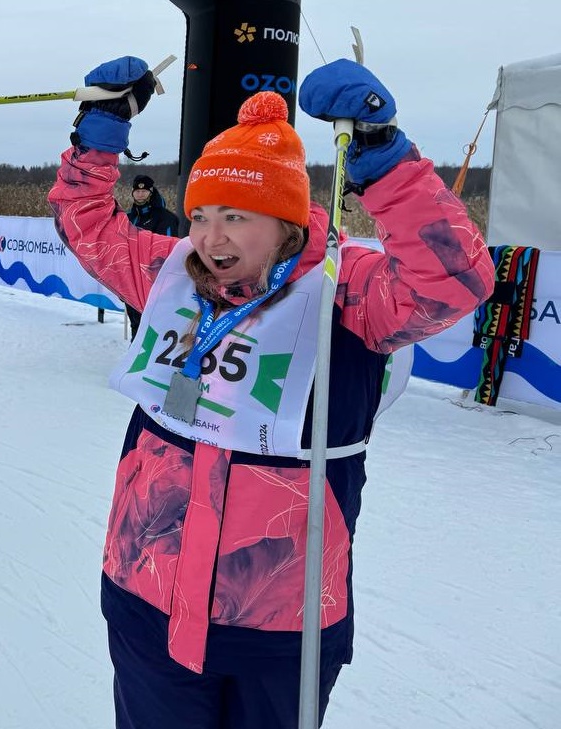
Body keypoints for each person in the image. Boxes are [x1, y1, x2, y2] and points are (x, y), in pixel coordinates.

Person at [48, 57, 494, 728]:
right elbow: (84, 225)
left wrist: (383, 158)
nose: (209, 236)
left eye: (236, 215)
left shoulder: (344, 292)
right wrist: (99, 128)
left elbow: (451, 282)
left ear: (287, 222)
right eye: (200, 214)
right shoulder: (170, 274)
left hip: (278, 619)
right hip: (147, 589)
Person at [124, 174, 181, 338]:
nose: (140, 194)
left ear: (151, 192)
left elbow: (170, 252)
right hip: (132, 281)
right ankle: (135, 358)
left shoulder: (166, 217)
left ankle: (150, 360)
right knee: (136, 324)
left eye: (144, 190)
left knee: (152, 325)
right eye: (137, 190)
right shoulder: (128, 218)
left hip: (154, 283)